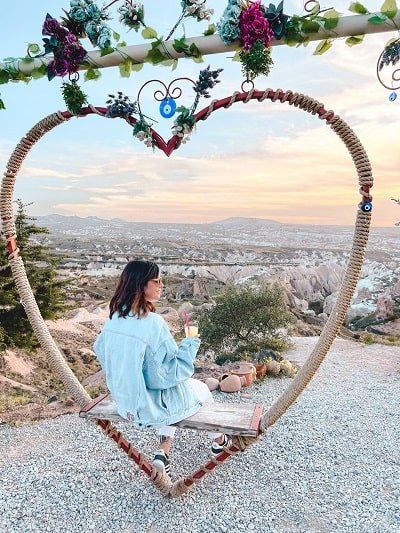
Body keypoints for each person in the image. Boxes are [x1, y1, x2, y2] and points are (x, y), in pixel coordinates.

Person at [93, 260, 231, 476]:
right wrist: (190, 344)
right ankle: (219, 441)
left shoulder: (113, 319)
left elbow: (103, 353)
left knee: (172, 394)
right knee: (199, 390)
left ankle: (163, 453)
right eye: (157, 281)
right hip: (146, 405)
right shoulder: (153, 323)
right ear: (141, 284)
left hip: (125, 400)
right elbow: (172, 372)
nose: (161, 285)